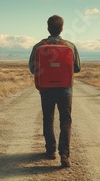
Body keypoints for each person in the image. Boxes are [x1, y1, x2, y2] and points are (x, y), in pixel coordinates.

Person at [29, 15, 81, 168]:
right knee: (65, 120)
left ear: (48, 28)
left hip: (46, 89)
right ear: (62, 29)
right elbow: (77, 68)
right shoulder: (70, 46)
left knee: (48, 118)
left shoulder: (38, 46)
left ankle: (51, 150)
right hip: (65, 89)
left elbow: (33, 68)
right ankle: (64, 155)